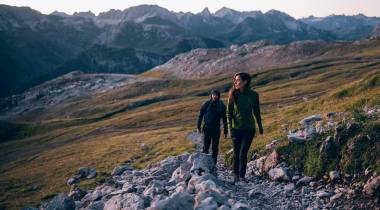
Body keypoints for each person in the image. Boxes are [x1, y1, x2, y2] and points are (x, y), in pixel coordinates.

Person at [227, 72, 263, 183]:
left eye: (238, 80)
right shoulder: (233, 94)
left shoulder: (254, 95)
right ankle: (236, 176)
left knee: (243, 153)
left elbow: (256, 111)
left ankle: (242, 176)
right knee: (236, 153)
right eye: (235, 80)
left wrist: (260, 126)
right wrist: (229, 129)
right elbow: (229, 113)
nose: (235, 82)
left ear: (245, 82)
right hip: (236, 129)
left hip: (249, 129)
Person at [197, 90, 228, 165]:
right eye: (213, 94)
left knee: (215, 148)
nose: (215, 96)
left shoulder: (222, 105)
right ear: (211, 95)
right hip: (207, 128)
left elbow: (224, 119)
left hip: (216, 129)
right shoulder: (206, 104)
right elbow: (200, 115)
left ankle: (214, 164)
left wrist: (225, 131)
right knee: (206, 147)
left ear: (219, 96)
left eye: (216, 95)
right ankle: (204, 164)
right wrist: (198, 127)